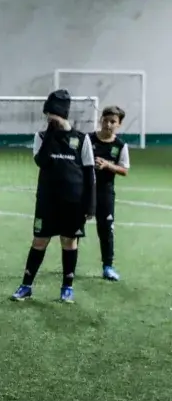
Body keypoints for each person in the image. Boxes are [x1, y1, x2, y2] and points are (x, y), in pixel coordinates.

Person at [13, 90, 95, 303]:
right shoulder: (41, 137)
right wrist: (51, 134)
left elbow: (89, 173)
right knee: (39, 241)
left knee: (69, 242)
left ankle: (67, 287)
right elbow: (41, 161)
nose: (49, 118)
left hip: (74, 203)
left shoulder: (81, 139)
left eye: (52, 114)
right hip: (47, 201)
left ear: (62, 113)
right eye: (47, 114)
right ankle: (26, 286)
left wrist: (90, 205)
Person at [90, 105, 131, 281]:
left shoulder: (120, 146)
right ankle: (70, 265)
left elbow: (124, 170)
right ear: (101, 120)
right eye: (105, 120)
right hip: (84, 190)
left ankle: (108, 267)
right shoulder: (88, 139)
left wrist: (107, 165)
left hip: (105, 192)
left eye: (113, 121)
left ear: (119, 124)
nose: (108, 124)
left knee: (106, 229)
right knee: (73, 228)